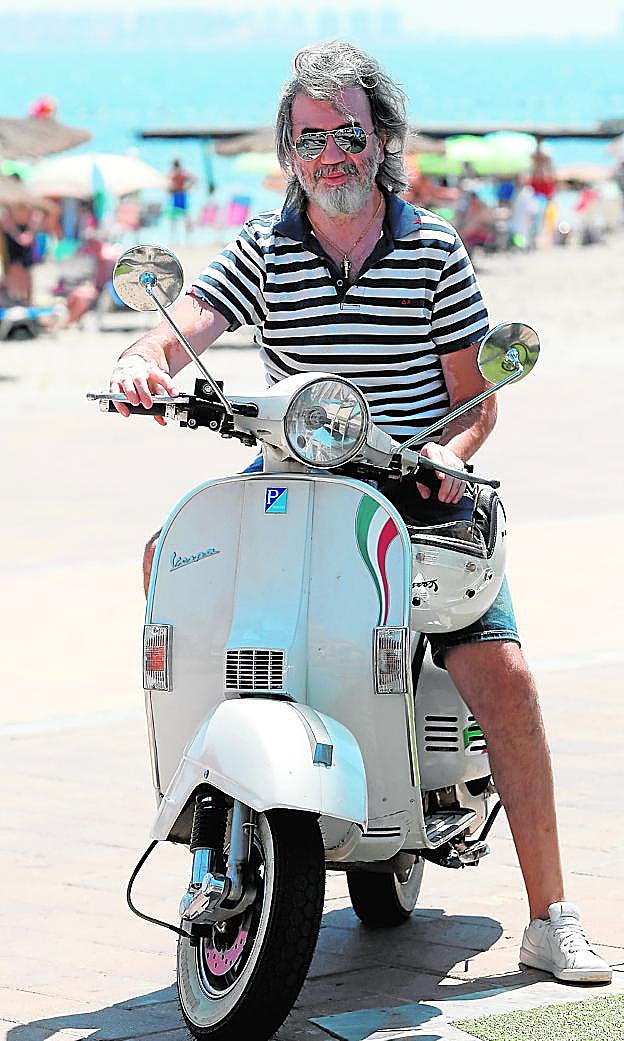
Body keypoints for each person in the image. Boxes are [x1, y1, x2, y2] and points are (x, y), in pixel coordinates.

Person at [109, 41, 611, 984]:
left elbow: (474, 403)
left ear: (381, 138)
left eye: (347, 133)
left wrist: (451, 454)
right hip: (293, 486)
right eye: (310, 139)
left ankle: (551, 915)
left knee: (504, 676)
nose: (330, 154)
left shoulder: (432, 248)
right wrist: (144, 361)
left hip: (414, 493)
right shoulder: (263, 248)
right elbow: (188, 330)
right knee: (165, 559)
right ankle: (215, 784)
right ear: (288, 150)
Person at [167, 157, 197, 235]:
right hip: (180, 194)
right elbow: (194, 179)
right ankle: (186, 234)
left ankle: (175, 235)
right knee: (182, 215)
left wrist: (186, 187)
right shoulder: (181, 172)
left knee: (176, 216)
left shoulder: (176, 173)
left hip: (178, 195)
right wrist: (187, 187)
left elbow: (194, 179)